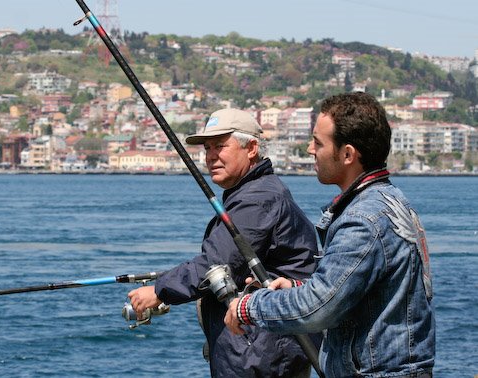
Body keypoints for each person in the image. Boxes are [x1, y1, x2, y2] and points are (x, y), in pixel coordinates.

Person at [225, 92, 436, 377]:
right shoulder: (391, 201)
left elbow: (319, 308)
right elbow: (357, 292)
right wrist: (298, 289)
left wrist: (248, 308)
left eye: (318, 142)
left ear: (347, 154)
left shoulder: (364, 220)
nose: (310, 150)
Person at [128, 108, 320, 377]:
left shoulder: (258, 198)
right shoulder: (255, 192)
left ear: (251, 148)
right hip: (262, 346)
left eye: (221, 146)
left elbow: (216, 263)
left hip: (264, 351)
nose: (211, 156)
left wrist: (159, 291)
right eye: (207, 148)